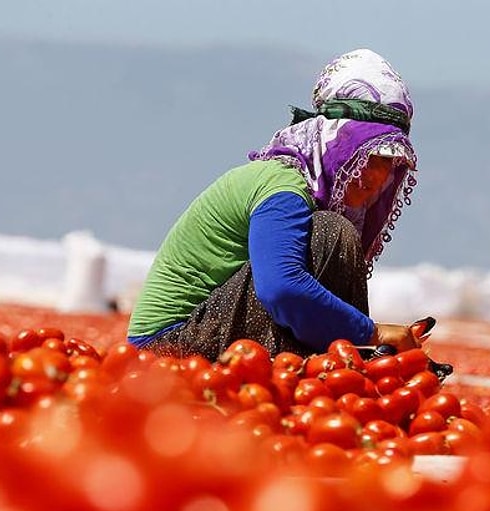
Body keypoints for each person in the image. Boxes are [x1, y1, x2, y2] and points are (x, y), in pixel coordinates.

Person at [126, 48, 424, 360]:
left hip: (205, 329)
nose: (375, 176)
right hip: (166, 345)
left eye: (386, 161)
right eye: (365, 156)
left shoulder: (304, 192)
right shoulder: (284, 187)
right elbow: (281, 289)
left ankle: (345, 361)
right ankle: (341, 360)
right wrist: (372, 333)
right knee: (331, 233)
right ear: (334, 145)